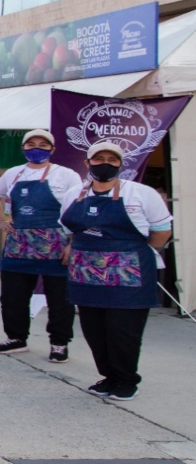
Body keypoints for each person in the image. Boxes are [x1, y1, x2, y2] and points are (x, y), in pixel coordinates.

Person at [60, 142, 172, 401]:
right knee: (94, 330)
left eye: (112, 159)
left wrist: (128, 254)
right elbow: (69, 230)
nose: (105, 163)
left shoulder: (142, 193)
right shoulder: (74, 194)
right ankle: (109, 375)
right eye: (99, 159)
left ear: (121, 165)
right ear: (88, 164)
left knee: (123, 330)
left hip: (128, 274)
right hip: (87, 274)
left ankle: (127, 379)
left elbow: (162, 231)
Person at [0, 129, 81, 363]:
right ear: (23, 148)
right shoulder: (13, 173)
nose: (36, 148)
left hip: (57, 243)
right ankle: (16, 338)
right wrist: (0, 219)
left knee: (60, 297)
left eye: (43, 144)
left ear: (52, 149)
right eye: (31, 144)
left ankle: (59, 342)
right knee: (13, 295)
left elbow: (77, 208)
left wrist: (73, 243)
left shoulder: (66, 175)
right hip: (19, 243)